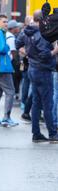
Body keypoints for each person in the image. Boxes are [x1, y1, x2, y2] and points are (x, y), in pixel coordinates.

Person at [16, 10, 58, 142]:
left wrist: (28, 53)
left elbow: (18, 44)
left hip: (33, 69)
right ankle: (52, 133)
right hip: (43, 70)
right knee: (47, 103)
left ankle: (36, 133)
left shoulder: (27, 30)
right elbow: (44, 54)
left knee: (36, 103)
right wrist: (55, 51)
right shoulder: (42, 33)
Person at [6, 20, 23, 102]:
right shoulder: (11, 38)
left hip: (8, 61)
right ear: (13, 28)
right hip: (12, 62)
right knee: (14, 79)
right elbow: (13, 51)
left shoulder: (6, 35)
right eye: (16, 27)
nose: (18, 28)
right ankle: (13, 95)